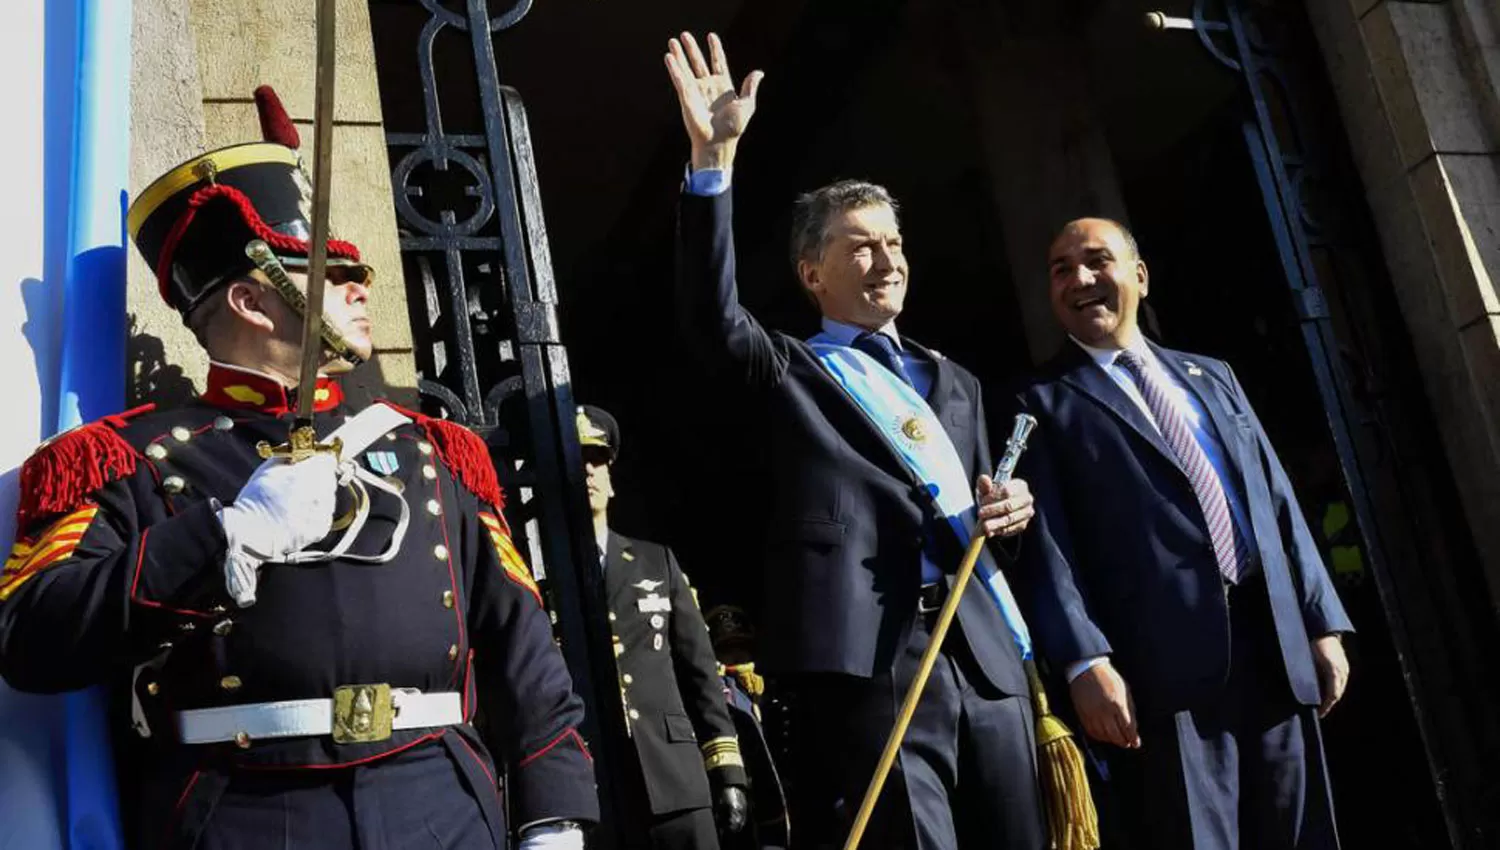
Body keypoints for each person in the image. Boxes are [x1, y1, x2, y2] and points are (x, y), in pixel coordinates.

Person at [0, 89, 597, 849]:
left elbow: (523, 648)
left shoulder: (433, 449)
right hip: (247, 812)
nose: (361, 284)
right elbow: (30, 635)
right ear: (250, 299)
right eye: (327, 271)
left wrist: (553, 813)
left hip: (442, 803)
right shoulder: (124, 458)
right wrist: (227, 540)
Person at [665, 32, 1046, 850]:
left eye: (894, 242)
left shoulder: (957, 382)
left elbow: (979, 512)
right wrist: (712, 162)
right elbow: (711, 318)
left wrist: (1012, 511)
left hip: (983, 655)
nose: (886, 259)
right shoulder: (791, 369)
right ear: (812, 274)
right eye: (860, 245)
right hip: (873, 660)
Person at [1012, 217, 1353, 849]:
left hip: (1274, 648)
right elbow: (1047, 546)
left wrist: (1320, 620)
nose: (1080, 279)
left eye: (1096, 260)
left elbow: (1276, 501)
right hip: (1163, 673)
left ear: (1139, 275)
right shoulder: (1041, 402)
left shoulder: (1212, 375)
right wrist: (1086, 660)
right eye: (1061, 269)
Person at [578, 403, 749, 849]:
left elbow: (700, 673)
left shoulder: (656, 561)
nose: (588, 472)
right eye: (577, 461)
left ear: (612, 478)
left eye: (597, 460)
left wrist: (727, 770)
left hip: (674, 779)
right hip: (595, 788)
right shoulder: (538, 573)